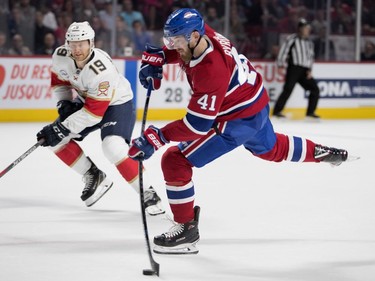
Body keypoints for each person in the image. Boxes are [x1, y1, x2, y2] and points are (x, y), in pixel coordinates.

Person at [127, 8, 351, 254]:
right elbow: (182, 53)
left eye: (176, 41)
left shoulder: (211, 69)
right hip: (255, 103)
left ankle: (186, 230)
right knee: (271, 148)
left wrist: (158, 137)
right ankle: (322, 152)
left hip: (235, 120)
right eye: (168, 40)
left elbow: (197, 125)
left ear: (193, 37)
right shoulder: (204, 35)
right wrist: (161, 55)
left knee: (174, 161)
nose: (172, 45)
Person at [36, 21, 164, 215]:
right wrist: (64, 102)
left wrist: (62, 126)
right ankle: (93, 175)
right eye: (73, 43)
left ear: (91, 43)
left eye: (82, 43)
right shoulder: (61, 56)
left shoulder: (101, 69)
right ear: (66, 43)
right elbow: (60, 81)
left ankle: (147, 191)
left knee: (112, 146)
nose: (77, 49)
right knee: (54, 140)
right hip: (89, 101)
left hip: (116, 104)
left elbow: (94, 113)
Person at [273, 18, 320, 119]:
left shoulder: (309, 43)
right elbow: (283, 51)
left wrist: (310, 70)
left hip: (304, 70)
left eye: (308, 28)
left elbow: (310, 57)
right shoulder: (292, 39)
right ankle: (277, 111)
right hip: (294, 68)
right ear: (300, 29)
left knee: (315, 89)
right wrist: (280, 65)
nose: (308, 30)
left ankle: (310, 113)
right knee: (288, 89)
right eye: (306, 28)